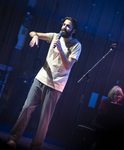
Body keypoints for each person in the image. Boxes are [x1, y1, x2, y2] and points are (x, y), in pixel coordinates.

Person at [7, 17, 82, 150]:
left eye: (68, 26)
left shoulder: (76, 45)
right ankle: (13, 139)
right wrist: (35, 36)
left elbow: (68, 66)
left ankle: (36, 146)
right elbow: (32, 32)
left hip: (56, 85)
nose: (64, 27)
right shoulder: (54, 36)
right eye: (63, 25)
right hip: (41, 78)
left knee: (44, 119)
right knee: (26, 108)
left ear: (73, 30)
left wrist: (59, 49)